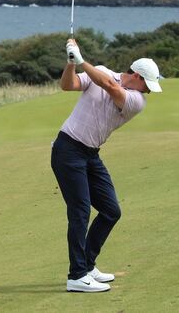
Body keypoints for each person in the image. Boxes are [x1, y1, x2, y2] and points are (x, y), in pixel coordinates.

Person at [51, 39, 161, 293]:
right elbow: (68, 85)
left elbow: (109, 86)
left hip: (90, 154)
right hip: (67, 149)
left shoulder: (136, 101)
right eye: (147, 85)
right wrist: (71, 64)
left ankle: (87, 265)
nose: (147, 91)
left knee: (111, 211)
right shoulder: (101, 72)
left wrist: (80, 60)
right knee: (79, 211)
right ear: (136, 75)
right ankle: (77, 275)